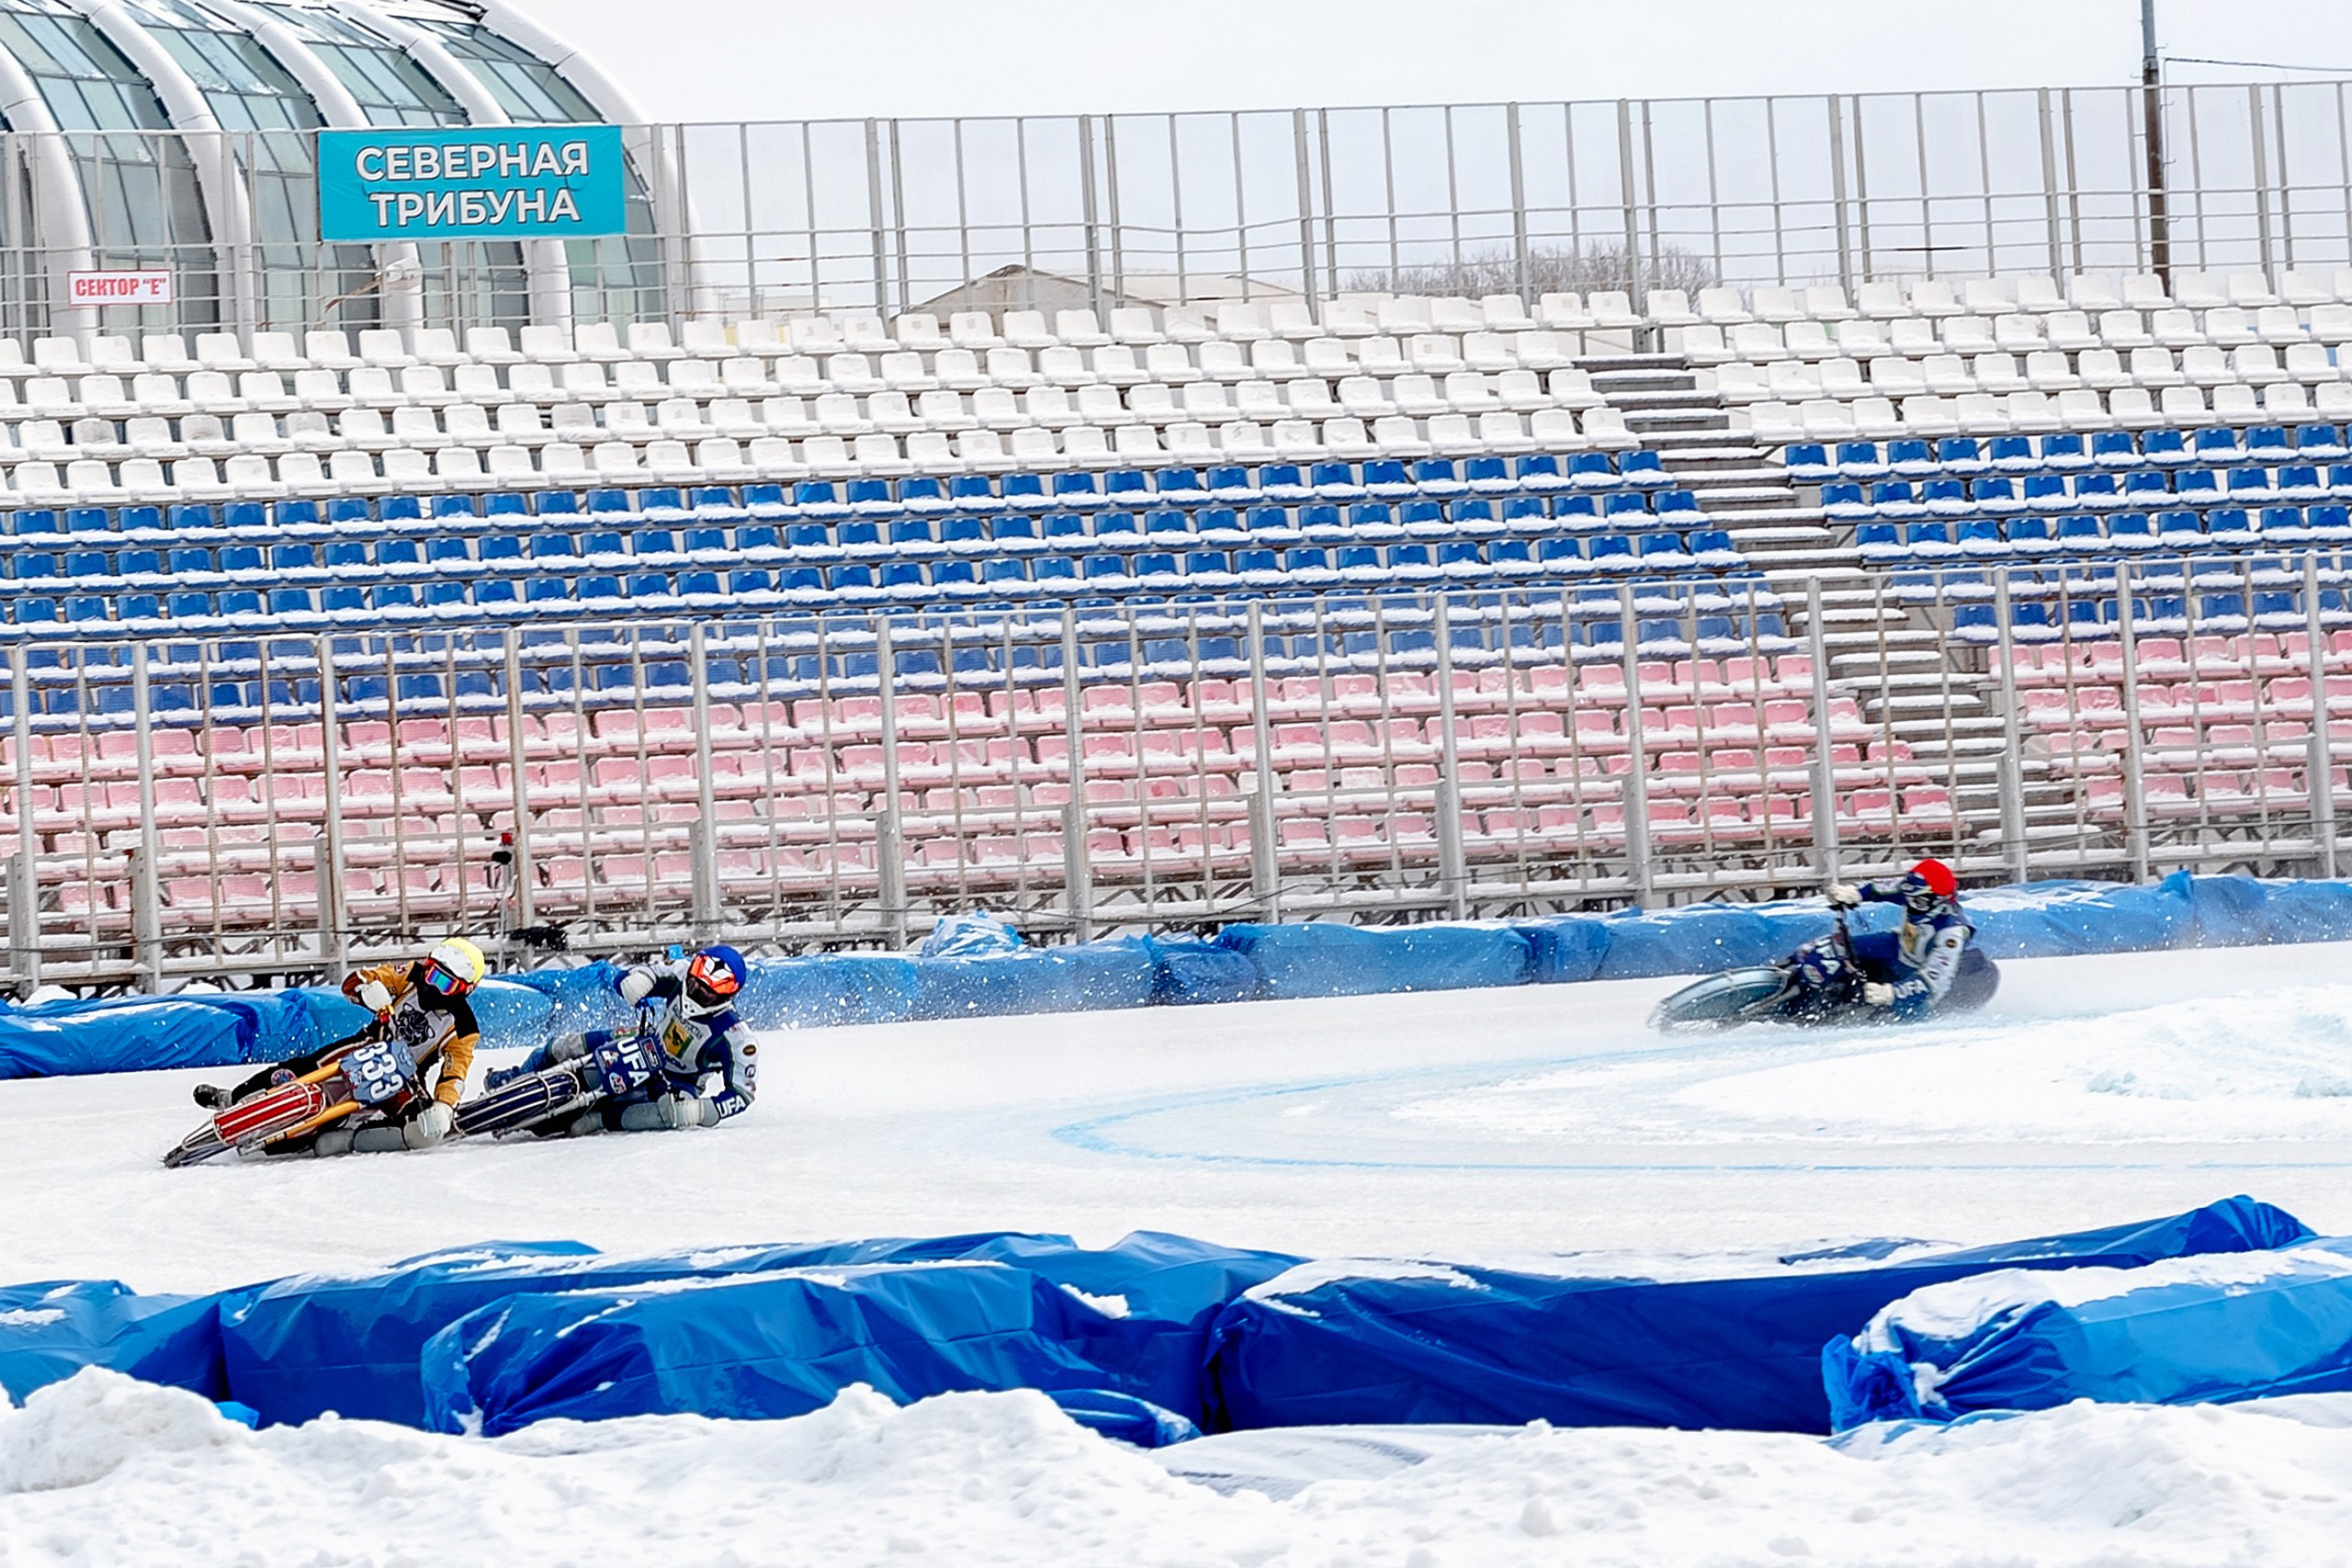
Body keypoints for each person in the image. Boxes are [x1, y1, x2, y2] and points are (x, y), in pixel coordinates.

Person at [190, 937, 486, 1154]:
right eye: (433, 974)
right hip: (369, 1042)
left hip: (404, 1077)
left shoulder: (464, 1028)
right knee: (302, 1067)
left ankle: (351, 1139)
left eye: (445, 985)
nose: (432, 987)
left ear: (465, 990)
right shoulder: (409, 973)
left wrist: (444, 1107)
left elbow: (454, 1073)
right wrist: (368, 990)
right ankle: (235, 1097)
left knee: (422, 1132)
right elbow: (357, 980)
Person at [484, 944, 755, 1137]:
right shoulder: (681, 973)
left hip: (678, 1081)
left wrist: (702, 1111)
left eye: (706, 993)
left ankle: (600, 1119)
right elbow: (641, 974)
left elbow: (742, 1094)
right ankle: (517, 1075)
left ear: (726, 996)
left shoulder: (736, 1037)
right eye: (695, 984)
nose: (695, 992)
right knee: (567, 1045)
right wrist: (635, 981)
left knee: (673, 1114)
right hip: (644, 1042)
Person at [1815, 858, 1973, 1021]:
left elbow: (1935, 982)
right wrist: (1852, 893)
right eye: (1908, 897)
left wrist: (1893, 993)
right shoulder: (1913, 890)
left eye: (1918, 901)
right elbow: (1877, 887)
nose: (1910, 904)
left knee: (1902, 1014)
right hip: (1896, 947)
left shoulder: (1952, 933)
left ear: (1940, 900)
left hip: (1918, 972)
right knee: (1839, 947)